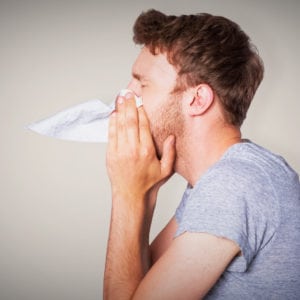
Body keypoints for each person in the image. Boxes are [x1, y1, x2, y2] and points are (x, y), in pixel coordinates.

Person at [103, 9, 300, 299]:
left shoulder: (236, 184)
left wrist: (126, 194)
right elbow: (139, 285)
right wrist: (145, 194)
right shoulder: (217, 180)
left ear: (197, 100)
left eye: (142, 84)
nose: (125, 97)